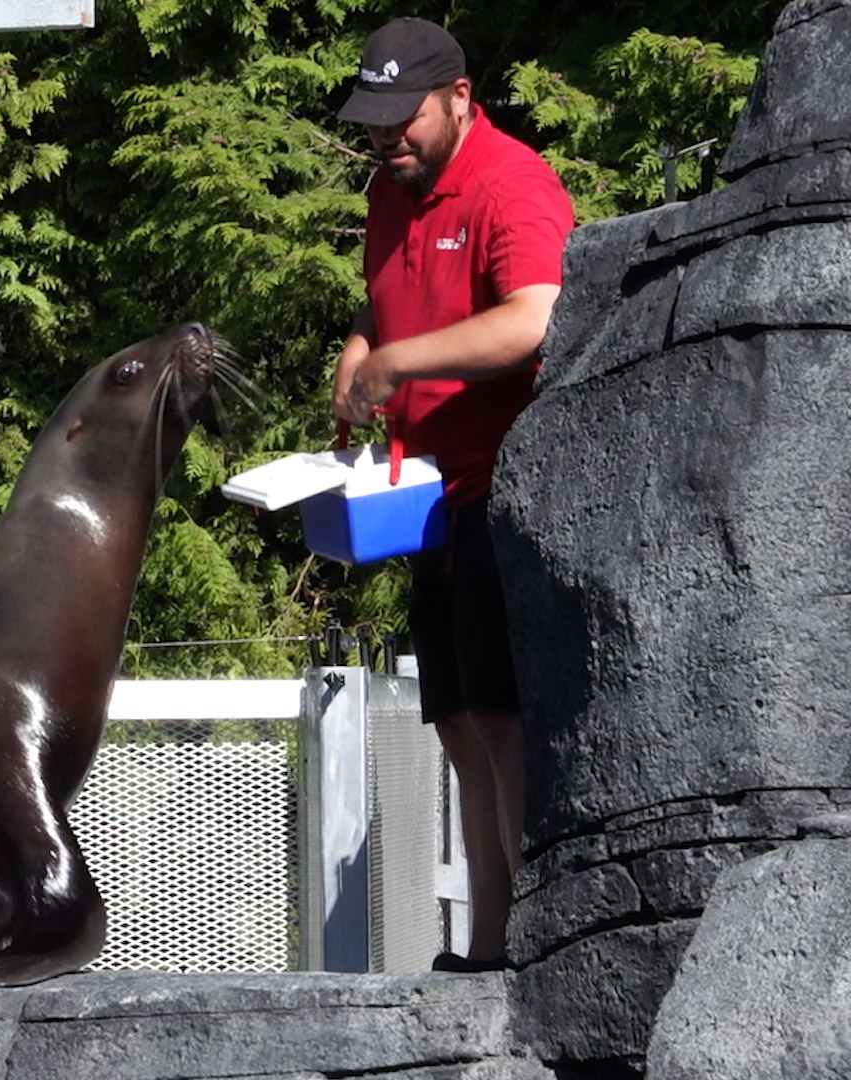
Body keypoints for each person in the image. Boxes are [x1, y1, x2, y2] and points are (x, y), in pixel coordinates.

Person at [330, 15, 574, 971]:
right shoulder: (390, 191)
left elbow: (534, 320)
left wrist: (400, 361)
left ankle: (536, 952)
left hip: (501, 490)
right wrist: (362, 352)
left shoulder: (511, 185)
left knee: (503, 719)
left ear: (460, 100)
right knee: (463, 725)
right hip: (421, 497)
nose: (388, 137)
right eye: (374, 121)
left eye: (405, 118)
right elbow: (379, 302)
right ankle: (488, 946)